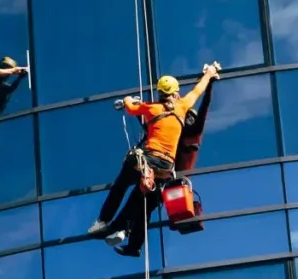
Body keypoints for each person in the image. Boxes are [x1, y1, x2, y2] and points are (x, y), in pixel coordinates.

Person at [88, 62, 221, 246]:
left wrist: (128, 99)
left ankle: (103, 221)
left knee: (121, 185)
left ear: (160, 93)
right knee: (139, 196)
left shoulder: (152, 108)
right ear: (176, 93)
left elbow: (131, 108)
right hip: (166, 167)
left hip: (150, 160)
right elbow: (198, 90)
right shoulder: (183, 106)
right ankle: (121, 228)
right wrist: (209, 74)